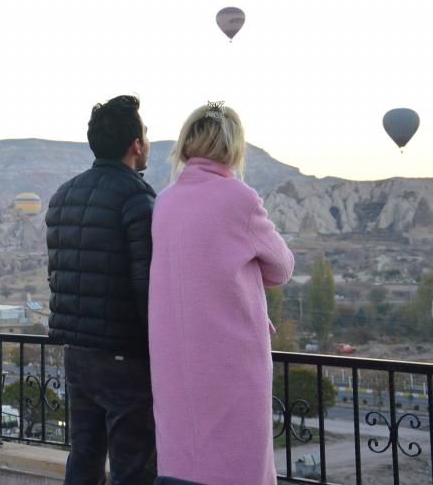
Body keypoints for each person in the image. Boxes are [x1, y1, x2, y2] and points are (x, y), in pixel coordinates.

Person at [148, 102, 294, 485]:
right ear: (232, 148)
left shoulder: (164, 201)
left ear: (185, 145)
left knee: (184, 453)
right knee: (238, 458)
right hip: (231, 356)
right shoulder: (240, 199)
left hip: (174, 357)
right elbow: (282, 267)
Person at [46, 95, 157, 485]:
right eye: (144, 134)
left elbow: (57, 277)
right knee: (134, 468)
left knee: (84, 460)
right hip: (124, 358)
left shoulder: (63, 196)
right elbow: (148, 289)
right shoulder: (136, 199)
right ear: (136, 145)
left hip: (78, 355)